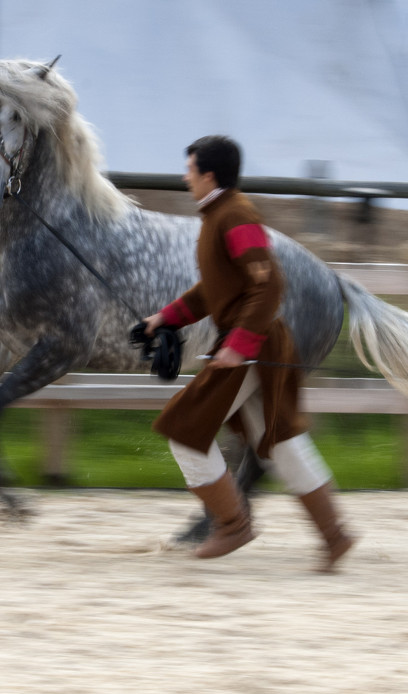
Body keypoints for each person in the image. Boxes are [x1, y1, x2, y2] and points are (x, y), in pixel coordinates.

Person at [138, 135, 356, 572]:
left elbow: (268, 286)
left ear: (209, 175)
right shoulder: (219, 215)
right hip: (255, 345)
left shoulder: (235, 215)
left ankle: (233, 524)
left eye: (190, 170)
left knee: (185, 430)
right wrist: (167, 319)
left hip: (253, 349)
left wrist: (238, 348)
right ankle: (334, 537)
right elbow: (216, 289)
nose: (186, 178)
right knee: (279, 444)